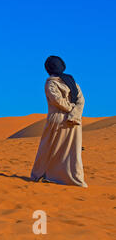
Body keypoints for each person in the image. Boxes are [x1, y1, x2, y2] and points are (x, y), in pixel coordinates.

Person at [30, 56, 87, 187]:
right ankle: (67, 177)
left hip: (58, 119)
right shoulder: (72, 82)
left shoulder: (51, 83)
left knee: (48, 147)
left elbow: (57, 100)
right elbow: (81, 100)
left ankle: (41, 174)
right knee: (70, 150)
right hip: (74, 120)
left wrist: (70, 109)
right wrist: (74, 111)